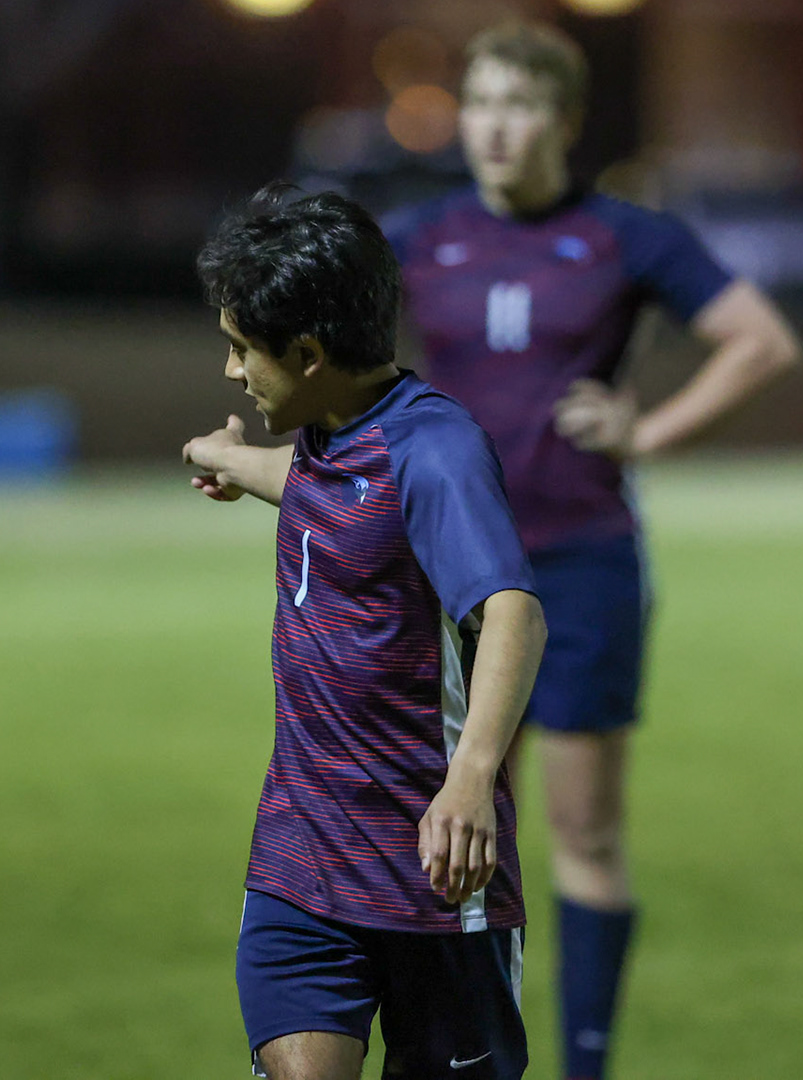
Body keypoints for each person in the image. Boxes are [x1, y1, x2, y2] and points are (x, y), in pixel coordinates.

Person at [379, 22, 803, 1080]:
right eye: (479, 103)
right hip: (451, 574)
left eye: (520, 105)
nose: (495, 127)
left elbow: (763, 339)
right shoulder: (421, 236)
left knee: (585, 831)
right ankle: (471, 1059)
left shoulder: (624, 235)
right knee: (456, 837)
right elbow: (322, 346)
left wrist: (644, 431)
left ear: (565, 122)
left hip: (583, 563)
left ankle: (584, 1065)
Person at [183, 187, 549, 1080]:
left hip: (433, 877)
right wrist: (228, 460)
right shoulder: (331, 432)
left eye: (243, 350)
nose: (232, 372)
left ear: (309, 355)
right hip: (300, 863)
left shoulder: (436, 453)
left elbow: (513, 611)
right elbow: (327, 490)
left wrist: (469, 782)